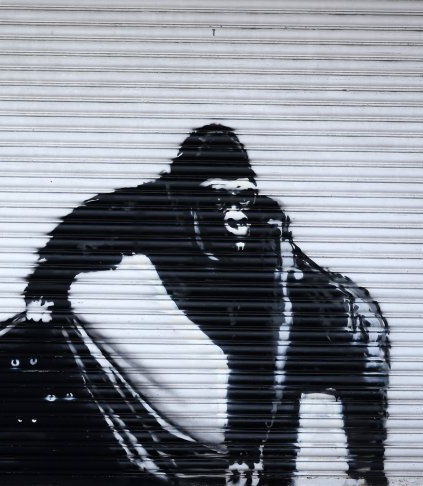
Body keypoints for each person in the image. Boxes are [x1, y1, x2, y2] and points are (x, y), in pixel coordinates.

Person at [20, 124, 390, 485]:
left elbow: (262, 347)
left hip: (347, 334)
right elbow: (83, 228)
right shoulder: (155, 208)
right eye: (222, 199)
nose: (237, 216)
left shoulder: (266, 225)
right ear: (188, 199)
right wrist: (47, 285)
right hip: (271, 348)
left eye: (244, 197)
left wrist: (243, 448)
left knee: (357, 462)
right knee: (274, 449)